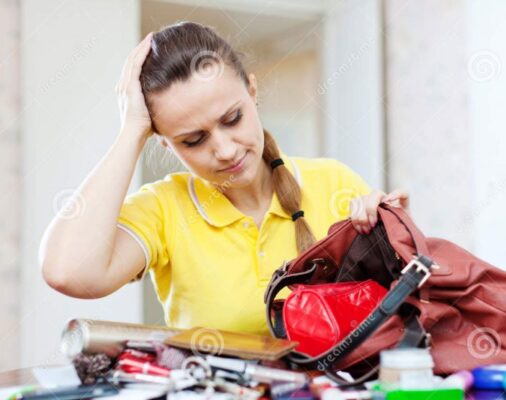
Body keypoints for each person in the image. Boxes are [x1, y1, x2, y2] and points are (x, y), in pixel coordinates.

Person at [39, 22, 409, 335]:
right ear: (165, 143)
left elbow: (403, 311)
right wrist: (131, 131)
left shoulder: (333, 181)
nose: (226, 150)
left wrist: (397, 236)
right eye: (193, 140)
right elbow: (68, 272)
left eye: (232, 119)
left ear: (252, 91)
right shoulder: (163, 209)